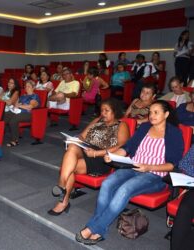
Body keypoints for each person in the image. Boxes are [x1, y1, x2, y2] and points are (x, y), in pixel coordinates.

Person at [76, 100, 183, 245]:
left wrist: (148, 167)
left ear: (166, 114)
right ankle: (99, 228)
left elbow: (172, 164)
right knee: (107, 183)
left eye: (156, 112)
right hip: (132, 167)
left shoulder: (174, 133)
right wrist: (113, 155)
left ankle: (93, 228)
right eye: (150, 112)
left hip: (155, 175)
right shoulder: (145, 127)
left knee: (124, 189)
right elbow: (128, 147)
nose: (151, 115)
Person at [48, 98, 130, 216]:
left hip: (102, 157)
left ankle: (63, 200)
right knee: (72, 147)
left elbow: (122, 145)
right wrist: (73, 140)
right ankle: (62, 184)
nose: (103, 113)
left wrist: (97, 153)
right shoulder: (98, 120)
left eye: (107, 110)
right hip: (87, 149)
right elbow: (82, 136)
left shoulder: (122, 125)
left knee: (70, 167)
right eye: (102, 110)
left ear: (115, 111)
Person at [4, 80, 40, 147]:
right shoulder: (23, 96)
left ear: (33, 87)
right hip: (18, 111)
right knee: (5, 116)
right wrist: (15, 105)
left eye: (29, 86)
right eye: (25, 86)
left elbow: (30, 107)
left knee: (13, 120)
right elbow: (16, 104)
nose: (26, 88)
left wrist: (19, 106)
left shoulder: (34, 96)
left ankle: (15, 140)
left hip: (29, 114)